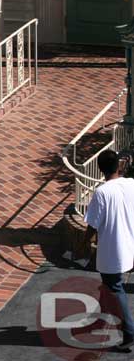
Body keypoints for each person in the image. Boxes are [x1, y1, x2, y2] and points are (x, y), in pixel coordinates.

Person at [83, 150, 134, 350]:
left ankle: (129, 331)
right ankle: (101, 320)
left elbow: (92, 224)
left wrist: (83, 244)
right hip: (130, 245)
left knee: (114, 288)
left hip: (113, 250)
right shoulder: (130, 184)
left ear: (100, 168)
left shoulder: (102, 192)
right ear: (117, 166)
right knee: (108, 286)